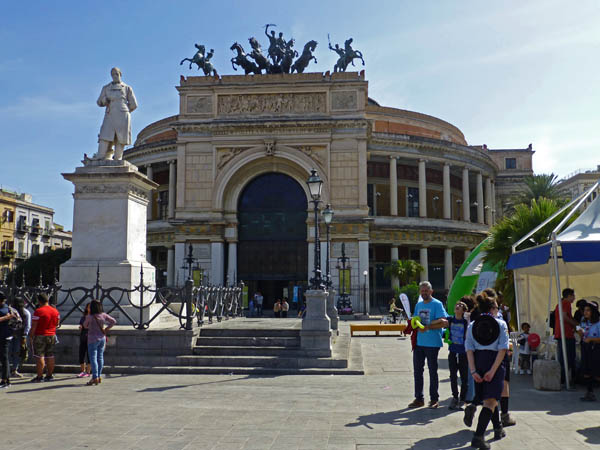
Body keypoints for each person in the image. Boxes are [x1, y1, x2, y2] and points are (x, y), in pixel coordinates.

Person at [466, 294, 509, 449]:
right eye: (497, 307)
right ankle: (478, 436)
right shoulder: (501, 324)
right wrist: (493, 370)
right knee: (491, 400)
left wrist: (473, 371)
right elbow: (503, 348)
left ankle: (497, 428)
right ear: (492, 309)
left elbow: (469, 349)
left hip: (478, 360)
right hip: (494, 361)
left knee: (490, 398)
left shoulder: (472, 325)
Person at [408, 281, 449, 409]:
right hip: (419, 343)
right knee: (417, 371)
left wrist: (428, 326)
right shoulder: (419, 305)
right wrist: (413, 323)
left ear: (431, 291)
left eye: (426, 290)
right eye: (422, 290)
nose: (424, 292)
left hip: (432, 343)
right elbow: (415, 320)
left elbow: (444, 322)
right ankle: (419, 398)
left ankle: (434, 399)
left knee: (432, 371)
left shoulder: (437, 304)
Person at [96, 67, 137, 161]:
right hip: (110, 113)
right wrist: (104, 100)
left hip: (123, 114)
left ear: (120, 74)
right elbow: (99, 102)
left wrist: (125, 111)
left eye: (116, 74)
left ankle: (118, 158)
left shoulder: (127, 88)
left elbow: (134, 104)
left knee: (121, 137)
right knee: (105, 135)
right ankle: (101, 156)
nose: (115, 76)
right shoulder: (106, 88)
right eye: (113, 74)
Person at [83, 300, 116, 386]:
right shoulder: (103, 315)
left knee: (93, 358)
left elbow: (85, 325)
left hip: (92, 339)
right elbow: (113, 321)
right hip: (102, 338)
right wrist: (107, 328)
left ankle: (95, 377)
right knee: (100, 357)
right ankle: (98, 376)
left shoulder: (89, 317)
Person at [29, 293, 60, 382]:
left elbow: (34, 326)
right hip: (52, 335)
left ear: (39, 301)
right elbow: (57, 324)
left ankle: (39, 376)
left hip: (40, 335)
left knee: (40, 356)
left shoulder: (38, 311)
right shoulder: (55, 311)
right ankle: (49, 375)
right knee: (50, 356)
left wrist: (31, 336)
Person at [447, 301, 469, 410]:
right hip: (452, 351)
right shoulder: (450, 320)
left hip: (463, 353)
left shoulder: (466, 322)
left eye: (460, 306)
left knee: (464, 377)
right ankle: (455, 397)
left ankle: (463, 399)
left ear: (464, 310)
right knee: (453, 376)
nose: (457, 306)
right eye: (456, 305)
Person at [554, 288, 578, 386]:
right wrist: (575, 325)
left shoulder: (560, 304)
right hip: (566, 334)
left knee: (564, 358)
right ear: (569, 296)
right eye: (573, 296)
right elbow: (564, 317)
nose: (574, 298)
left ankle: (563, 379)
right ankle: (566, 379)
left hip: (561, 333)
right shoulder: (566, 303)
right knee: (569, 358)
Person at [577, 302, 600, 401]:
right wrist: (580, 333)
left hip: (596, 348)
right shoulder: (583, 321)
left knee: (597, 372)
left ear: (593, 311)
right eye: (585, 310)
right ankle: (589, 392)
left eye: (588, 310)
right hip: (585, 347)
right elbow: (583, 334)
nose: (585, 312)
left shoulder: (598, 323)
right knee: (586, 371)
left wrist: (591, 339)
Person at [10, 297, 31, 378]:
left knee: (7, 352)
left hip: (9, 334)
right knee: (17, 353)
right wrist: (25, 335)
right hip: (20, 335)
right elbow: (28, 326)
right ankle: (14, 370)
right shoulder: (26, 312)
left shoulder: (10, 311)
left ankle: (7, 369)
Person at [0, 292, 17, 388]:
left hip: (4, 336)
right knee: (4, 358)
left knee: (4, 358)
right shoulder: (7, 308)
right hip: (7, 335)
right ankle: (7, 379)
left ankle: (4, 381)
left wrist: (6, 317)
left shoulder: (4, 309)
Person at [78, 303, 91, 378]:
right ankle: (82, 371)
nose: (89, 309)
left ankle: (88, 371)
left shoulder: (94, 317)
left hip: (91, 338)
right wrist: (80, 326)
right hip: (83, 337)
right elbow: (81, 324)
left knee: (89, 355)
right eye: (88, 307)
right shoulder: (83, 317)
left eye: (90, 307)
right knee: (81, 354)